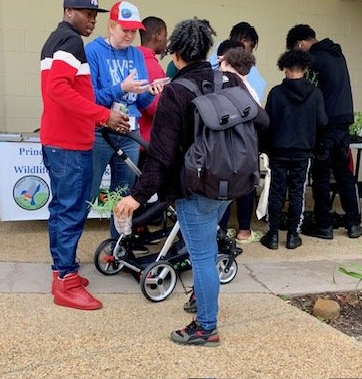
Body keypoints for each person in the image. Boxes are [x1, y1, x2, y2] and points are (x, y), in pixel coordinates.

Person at [115, 18, 269, 347]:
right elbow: (262, 120)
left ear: (176, 54)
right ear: (206, 51)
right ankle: (203, 300)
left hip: (194, 188)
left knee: (201, 256)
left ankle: (206, 327)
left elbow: (161, 156)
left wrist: (136, 197)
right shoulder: (229, 79)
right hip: (231, 182)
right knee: (206, 250)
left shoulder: (175, 92)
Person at [40, 0, 130, 311]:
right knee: (70, 211)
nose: (92, 20)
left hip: (63, 141)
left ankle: (63, 273)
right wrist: (104, 115)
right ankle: (65, 281)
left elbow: (68, 91)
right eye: (86, 13)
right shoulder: (70, 41)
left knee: (65, 209)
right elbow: (58, 90)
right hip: (67, 145)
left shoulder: (58, 39)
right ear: (68, 12)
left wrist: (101, 118)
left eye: (94, 14)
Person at [85, 1, 162, 238]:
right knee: (88, 192)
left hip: (129, 133)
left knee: (123, 194)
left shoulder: (136, 55)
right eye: (124, 29)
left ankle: (118, 248)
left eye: (133, 30)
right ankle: (69, 254)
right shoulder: (93, 51)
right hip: (100, 132)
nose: (130, 35)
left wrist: (152, 92)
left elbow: (140, 101)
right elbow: (90, 98)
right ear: (111, 26)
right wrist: (121, 87)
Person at [286, 24, 362, 239]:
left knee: (320, 176)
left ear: (300, 44)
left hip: (326, 126)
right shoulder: (337, 55)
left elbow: (306, 93)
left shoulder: (314, 60)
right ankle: (354, 223)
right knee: (344, 175)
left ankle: (324, 226)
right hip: (343, 124)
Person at [260, 50, 328, 250]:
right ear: (306, 69)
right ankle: (292, 237)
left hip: (278, 151)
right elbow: (323, 122)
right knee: (297, 193)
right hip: (303, 152)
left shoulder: (276, 93)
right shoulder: (315, 93)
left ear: (285, 69)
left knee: (276, 192)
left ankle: (272, 236)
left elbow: (266, 123)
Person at [216, 44, 263, 244]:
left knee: (222, 190)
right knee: (245, 187)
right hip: (244, 148)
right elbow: (262, 117)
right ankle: (244, 230)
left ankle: (221, 230)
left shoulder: (213, 82)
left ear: (222, 59)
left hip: (219, 150)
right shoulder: (248, 86)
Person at [137, 16, 168, 145]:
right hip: (144, 139)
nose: (166, 40)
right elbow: (155, 107)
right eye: (165, 35)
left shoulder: (132, 59)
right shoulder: (152, 66)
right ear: (158, 36)